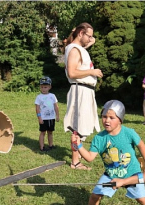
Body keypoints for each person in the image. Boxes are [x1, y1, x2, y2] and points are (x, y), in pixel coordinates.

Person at [63, 22, 103, 170]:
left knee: (83, 124)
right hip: (80, 90)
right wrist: (92, 72)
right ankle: (75, 162)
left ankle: (77, 154)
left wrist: (90, 37)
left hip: (85, 90)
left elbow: (88, 43)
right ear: (80, 34)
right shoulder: (74, 50)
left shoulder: (78, 48)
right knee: (77, 126)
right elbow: (72, 73)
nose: (91, 39)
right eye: (88, 36)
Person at [35, 76, 59, 152]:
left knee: (50, 132)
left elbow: (56, 106)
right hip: (43, 119)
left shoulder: (52, 96)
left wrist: (57, 115)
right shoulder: (39, 97)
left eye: (45, 87)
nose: (43, 89)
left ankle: (51, 145)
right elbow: (37, 108)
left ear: (49, 87)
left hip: (51, 118)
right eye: (42, 87)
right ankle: (42, 147)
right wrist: (39, 118)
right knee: (43, 132)